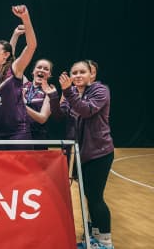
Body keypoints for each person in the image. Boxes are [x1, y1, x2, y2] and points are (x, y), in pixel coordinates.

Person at [59, 61, 114, 249]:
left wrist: (68, 92)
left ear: (92, 74)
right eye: (74, 72)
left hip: (99, 152)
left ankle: (106, 242)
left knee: (96, 197)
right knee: (88, 196)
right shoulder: (72, 94)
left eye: (83, 72)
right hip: (81, 153)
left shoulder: (101, 91)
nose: (78, 75)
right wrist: (53, 95)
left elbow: (86, 110)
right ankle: (94, 237)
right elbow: (62, 114)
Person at [0, 5, 37, 150]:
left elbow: (31, 46)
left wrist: (25, 18)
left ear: (6, 55)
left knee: (22, 173)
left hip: (17, 135)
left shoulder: (14, 69)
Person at [22, 59, 59, 150]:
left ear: (49, 74)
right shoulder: (24, 84)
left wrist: (22, 105)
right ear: (33, 71)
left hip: (37, 136)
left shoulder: (50, 91)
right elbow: (13, 65)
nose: (41, 70)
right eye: (39, 67)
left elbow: (42, 119)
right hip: (19, 134)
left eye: (46, 69)